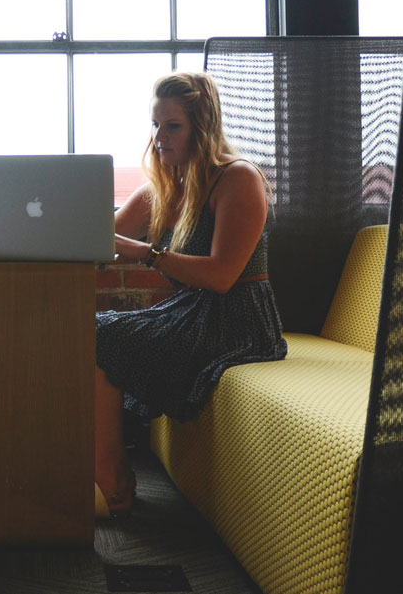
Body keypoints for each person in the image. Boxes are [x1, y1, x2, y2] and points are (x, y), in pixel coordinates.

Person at [94, 72, 287, 516]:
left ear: (202, 127)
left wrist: (147, 253)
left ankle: (111, 478)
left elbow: (222, 276)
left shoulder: (237, 178)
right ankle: (108, 470)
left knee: (101, 336)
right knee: (92, 331)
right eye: (155, 125)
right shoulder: (162, 188)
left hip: (238, 320)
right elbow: (98, 240)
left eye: (172, 126)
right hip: (189, 312)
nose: (159, 137)